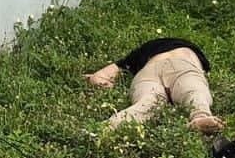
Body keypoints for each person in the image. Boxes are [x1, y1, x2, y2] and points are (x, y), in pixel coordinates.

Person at [85, 37, 224, 134]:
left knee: (146, 104)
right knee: (194, 92)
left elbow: (100, 76)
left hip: (148, 71)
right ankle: (200, 116)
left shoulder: (139, 53)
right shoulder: (190, 49)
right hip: (182, 65)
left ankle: (106, 128)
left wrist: (100, 82)